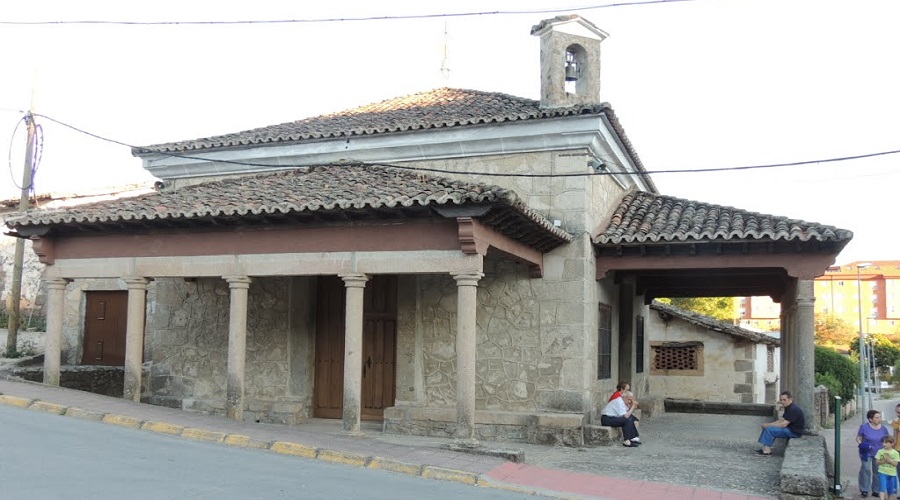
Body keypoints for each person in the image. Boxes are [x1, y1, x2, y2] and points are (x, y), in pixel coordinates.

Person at [756, 391, 805, 456]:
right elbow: (782, 420)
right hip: (790, 429)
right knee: (768, 428)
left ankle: (766, 451)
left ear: (790, 399)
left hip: (794, 432)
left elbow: (783, 424)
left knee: (769, 430)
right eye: (781, 400)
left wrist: (769, 425)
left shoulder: (793, 409)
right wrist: (769, 424)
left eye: (784, 400)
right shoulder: (789, 407)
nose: (782, 402)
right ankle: (764, 447)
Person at [859, 409, 891, 497]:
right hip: (866, 452)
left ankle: (876, 490)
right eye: (877, 418)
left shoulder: (884, 428)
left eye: (880, 417)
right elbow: (858, 438)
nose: (879, 419)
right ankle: (864, 489)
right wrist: (861, 444)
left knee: (877, 471)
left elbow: (887, 439)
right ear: (870, 419)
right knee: (866, 469)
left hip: (879, 453)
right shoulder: (864, 427)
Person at [876, 436, 900, 500]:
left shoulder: (896, 453)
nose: (884, 444)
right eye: (883, 442)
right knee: (882, 488)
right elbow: (877, 462)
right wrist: (884, 461)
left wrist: (890, 461)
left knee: (890, 490)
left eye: (886, 443)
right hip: (882, 472)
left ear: (891, 443)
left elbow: (895, 464)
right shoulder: (880, 451)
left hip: (892, 474)